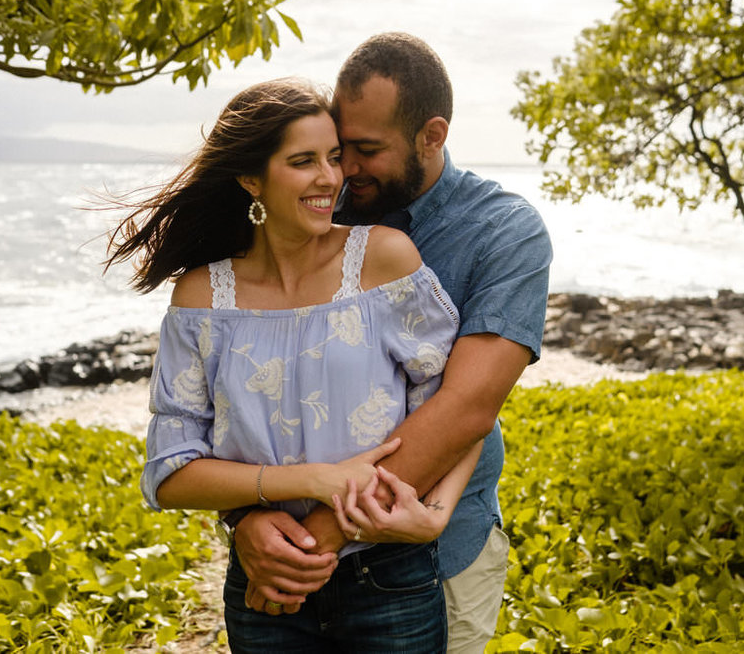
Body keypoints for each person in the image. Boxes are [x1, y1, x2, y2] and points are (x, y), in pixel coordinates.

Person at [104, 77, 482, 652]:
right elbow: (171, 470)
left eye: (333, 157)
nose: (330, 178)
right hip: (266, 580)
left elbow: (460, 412)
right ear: (251, 178)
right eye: (303, 161)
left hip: (389, 577)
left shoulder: (382, 260)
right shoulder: (203, 298)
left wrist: (434, 513)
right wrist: (297, 489)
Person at [230, 33, 553, 653]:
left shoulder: (504, 232)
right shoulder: (321, 205)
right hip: (287, 549)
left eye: (366, 149)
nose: (344, 169)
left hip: (435, 549)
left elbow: (464, 408)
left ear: (432, 135)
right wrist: (245, 518)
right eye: (339, 145)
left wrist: (315, 544)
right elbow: (248, 369)